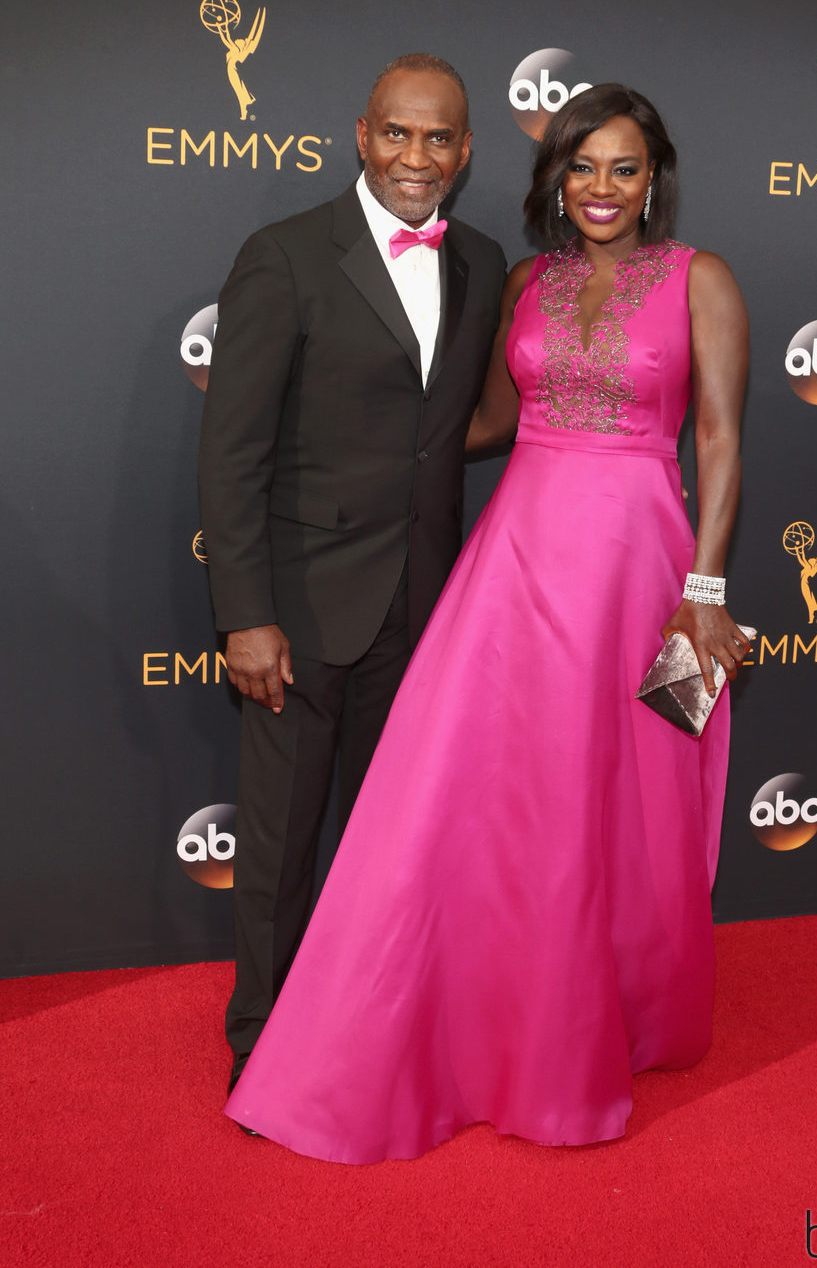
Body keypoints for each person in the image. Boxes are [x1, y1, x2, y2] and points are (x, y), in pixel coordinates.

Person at [225, 83, 751, 1163]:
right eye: (580, 167)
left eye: (621, 167)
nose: (599, 188)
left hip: (637, 566)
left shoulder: (701, 281)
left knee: (621, 800)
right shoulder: (520, 280)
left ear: (653, 178)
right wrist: (344, 437)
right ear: (550, 180)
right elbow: (476, 426)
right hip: (514, 563)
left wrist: (703, 595)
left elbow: (719, 445)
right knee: (486, 804)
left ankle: (608, 1021)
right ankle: (466, 1016)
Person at [198, 54, 506, 1098]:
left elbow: (454, 428)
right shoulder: (283, 257)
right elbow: (231, 452)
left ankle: (374, 1031)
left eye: (438, 140)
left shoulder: (479, 258)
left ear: (465, 152)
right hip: (298, 604)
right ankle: (264, 1048)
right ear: (360, 135)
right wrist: (245, 613)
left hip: (421, 604)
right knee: (281, 847)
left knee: (392, 843)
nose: (415, 157)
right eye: (396, 134)